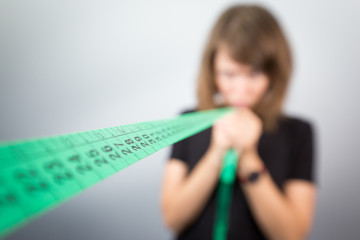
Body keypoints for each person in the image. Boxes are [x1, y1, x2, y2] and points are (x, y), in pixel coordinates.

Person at [160, 4, 317, 240]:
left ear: (274, 72)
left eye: (254, 74)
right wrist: (216, 152)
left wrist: (248, 157)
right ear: (212, 71)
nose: (241, 89)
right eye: (229, 74)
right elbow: (173, 218)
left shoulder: (299, 132)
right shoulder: (188, 122)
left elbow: (292, 235)